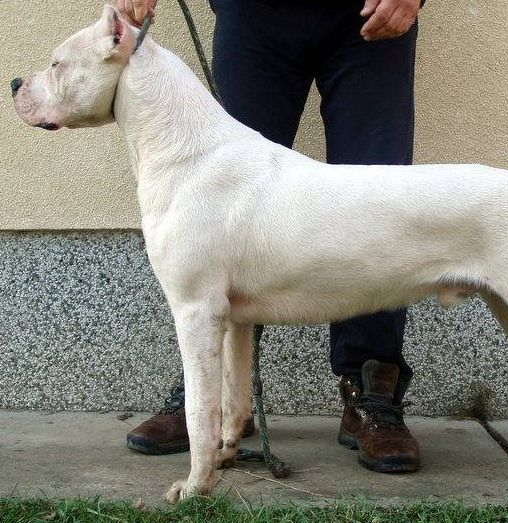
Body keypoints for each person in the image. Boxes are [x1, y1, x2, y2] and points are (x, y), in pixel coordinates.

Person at [121, 0, 423, 473]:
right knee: (225, 214)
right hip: (253, 14)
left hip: (368, 15)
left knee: (380, 211)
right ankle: (215, 402)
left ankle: (370, 389)